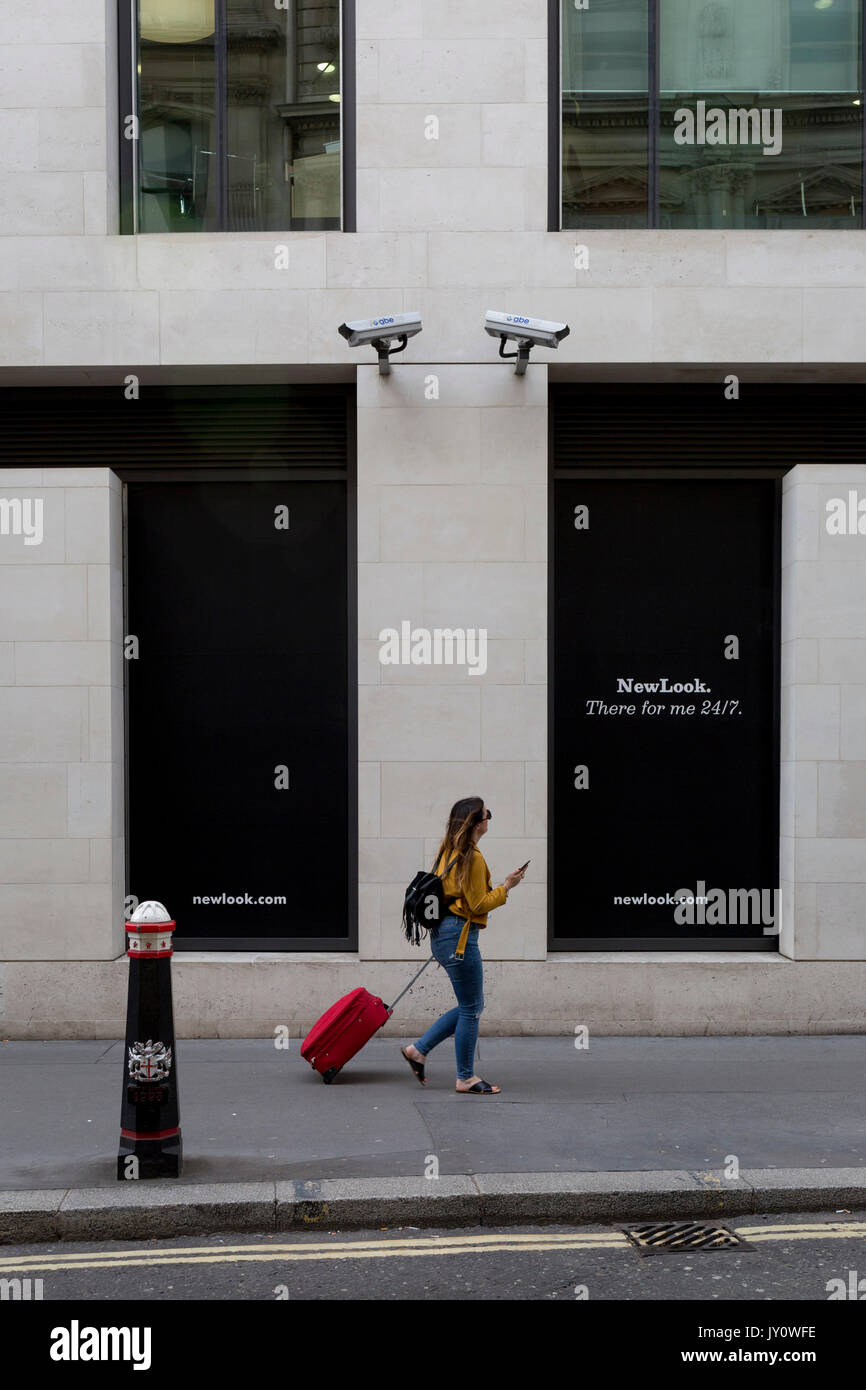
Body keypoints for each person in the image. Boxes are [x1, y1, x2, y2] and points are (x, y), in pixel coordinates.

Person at [400, 796, 526, 1094]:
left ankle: (418, 1051)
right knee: (472, 1008)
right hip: (459, 937)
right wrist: (507, 886)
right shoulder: (473, 857)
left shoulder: (448, 851)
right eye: (486, 814)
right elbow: (479, 904)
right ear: (475, 822)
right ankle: (465, 1077)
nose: (488, 819)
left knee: (471, 1004)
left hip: (443, 934)